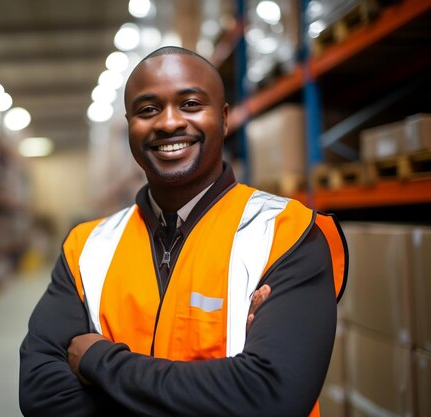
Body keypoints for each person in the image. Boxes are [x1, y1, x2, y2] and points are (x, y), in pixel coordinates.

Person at [19, 46, 347, 417]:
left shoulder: (286, 232)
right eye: (147, 110)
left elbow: (273, 396)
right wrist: (217, 392)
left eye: (190, 104)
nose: (169, 122)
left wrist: (98, 360)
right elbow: (41, 395)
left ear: (223, 119)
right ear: (130, 126)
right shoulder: (88, 247)